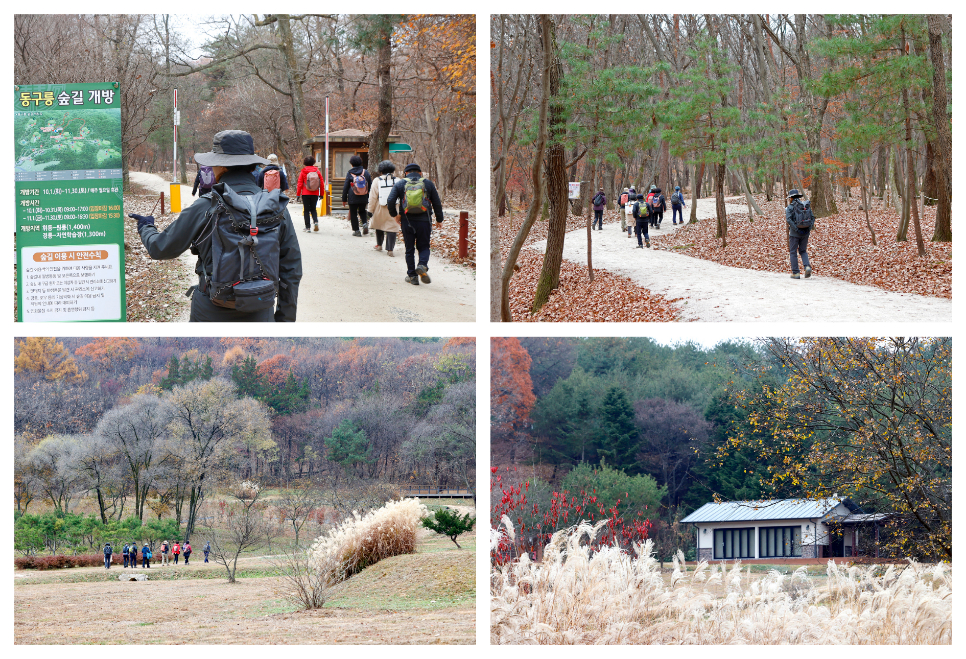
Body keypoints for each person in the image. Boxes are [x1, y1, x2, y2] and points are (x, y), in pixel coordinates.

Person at [131, 130, 302, 322]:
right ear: (251, 164)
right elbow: (291, 268)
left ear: (221, 166)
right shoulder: (275, 207)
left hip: (210, 312)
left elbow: (160, 248)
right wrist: (284, 320)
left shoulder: (207, 205)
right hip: (261, 310)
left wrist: (146, 226)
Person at [387, 163, 444, 286]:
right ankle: (422, 265)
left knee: (409, 249)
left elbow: (390, 200)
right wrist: (439, 219)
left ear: (406, 173)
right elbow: (437, 203)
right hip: (424, 220)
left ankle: (412, 276)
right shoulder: (428, 184)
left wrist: (395, 215)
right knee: (423, 246)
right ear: (420, 173)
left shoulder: (400, 183)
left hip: (407, 221)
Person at [367, 160, 402, 257]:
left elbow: (372, 197)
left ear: (380, 170)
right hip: (395, 207)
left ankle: (379, 245)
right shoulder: (398, 180)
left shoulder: (377, 180)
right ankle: (390, 249)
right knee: (392, 227)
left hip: (380, 206)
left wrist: (370, 210)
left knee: (380, 225)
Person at [785, 188, 814, 279]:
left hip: (794, 234)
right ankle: (807, 267)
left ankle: (796, 273)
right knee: (803, 251)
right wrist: (808, 229)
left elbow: (789, 219)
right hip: (805, 233)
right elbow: (812, 218)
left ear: (791, 198)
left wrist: (796, 229)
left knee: (793, 252)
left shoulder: (790, 207)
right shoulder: (806, 206)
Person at [342, 155, 373, 237]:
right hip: (363, 196)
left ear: (351, 164)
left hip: (352, 197)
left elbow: (345, 187)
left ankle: (356, 231)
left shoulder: (350, 173)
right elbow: (370, 184)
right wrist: (370, 196)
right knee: (362, 211)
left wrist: (344, 199)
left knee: (353, 213)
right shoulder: (365, 172)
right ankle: (365, 224)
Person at [296, 155, 324, 233]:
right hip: (315, 193)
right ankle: (315, 222)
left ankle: (307, 228)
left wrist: (298, 194)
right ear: (313, 162)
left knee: (306, 210)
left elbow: (300, 184)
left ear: (305, 162)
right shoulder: (317, 171)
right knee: (313, 209)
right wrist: (321, 194)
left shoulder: (303, 171)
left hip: (305, 193)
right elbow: (321, 183)